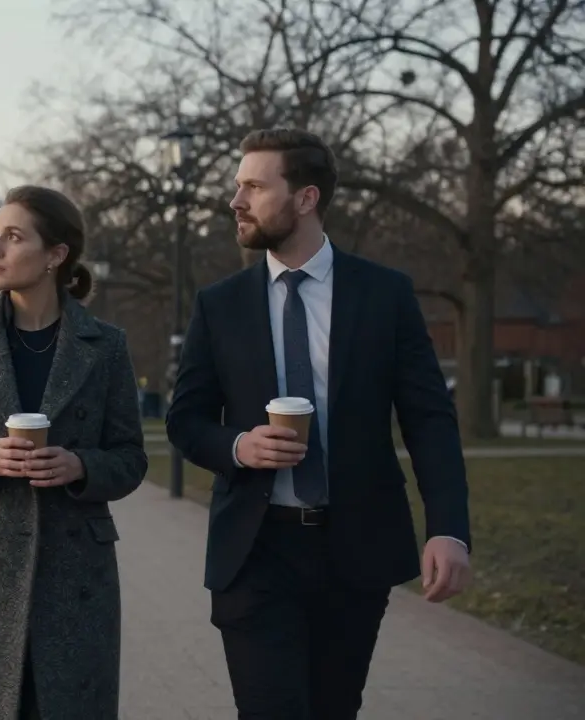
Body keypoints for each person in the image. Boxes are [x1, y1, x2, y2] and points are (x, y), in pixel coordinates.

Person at [165, 128, 472, 719]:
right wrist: (239, 446)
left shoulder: (385, 295)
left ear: (305, 198)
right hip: (254, 551)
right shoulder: (220, 304)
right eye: (237, 185)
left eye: (253, 186)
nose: (236, 200)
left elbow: (430, 420)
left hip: (354, 548)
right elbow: (186, 420)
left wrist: (448, 529)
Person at [0, 185, 148, 720]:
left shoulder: (104, 346)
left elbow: (131, 456)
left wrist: (81, 465)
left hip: (77, 574)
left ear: (56, 255)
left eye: (13, 237)